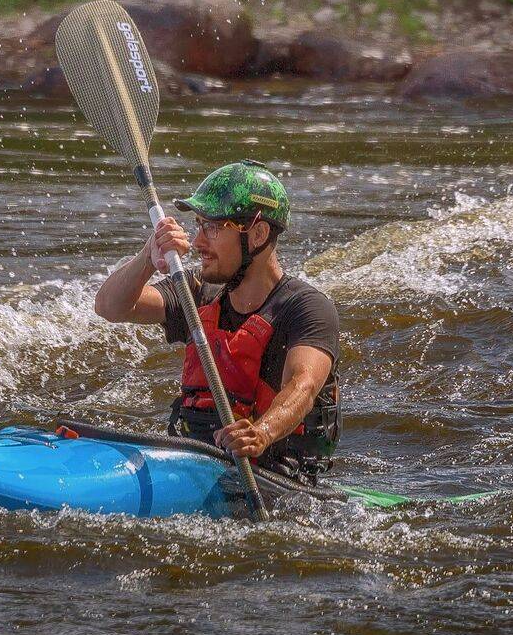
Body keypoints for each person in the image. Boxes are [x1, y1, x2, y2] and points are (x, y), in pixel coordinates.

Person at [93, 160, 341, 484]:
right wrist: (146, 258)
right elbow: (109, 307)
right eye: (198, 225)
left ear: (257, 234)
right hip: (199, 462)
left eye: (211, 227)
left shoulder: (306, 309)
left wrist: (261, 434)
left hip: (280, 476)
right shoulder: (196, 292)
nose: (197, 242)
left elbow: (303, 386)